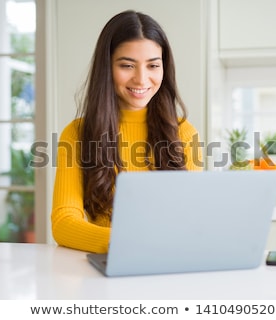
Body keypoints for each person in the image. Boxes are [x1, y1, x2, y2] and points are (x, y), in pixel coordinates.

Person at [51, 10, 202, 253]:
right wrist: (126, 243)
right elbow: (64, 223)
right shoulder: (78, 134)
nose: (142, 79)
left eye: (153, 65)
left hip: (169, 264)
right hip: (108, 265)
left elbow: (194, 220)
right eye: (127, 65)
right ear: (107, 67)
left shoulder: (184, 132)